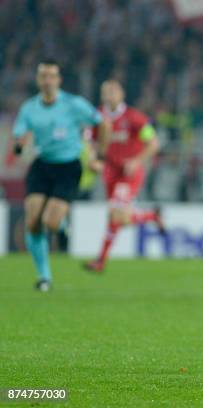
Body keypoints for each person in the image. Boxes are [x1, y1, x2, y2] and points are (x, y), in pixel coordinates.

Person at [12, 59, 110, 291]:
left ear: (58, 80)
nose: (47, 81)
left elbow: (102, 124)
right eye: (43, 76)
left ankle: (62, 223)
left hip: (68, 167)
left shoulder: (73, 104)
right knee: (33, 222)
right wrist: (20, 145)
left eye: (51, 76)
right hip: (42, 165)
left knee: (51, 222)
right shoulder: (29, 108)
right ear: (38, 80)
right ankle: (44, 276)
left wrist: (100, 156)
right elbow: (20, 136)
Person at [84, 80, 165, 272]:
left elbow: (153, 144)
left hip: (129, 174)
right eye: (106, 92)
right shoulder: (97, 118)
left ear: (122, 95)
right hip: (110, 173)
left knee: (116, 214)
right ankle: (150, 216)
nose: (109, 96)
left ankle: (100, 261)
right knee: (119, 218)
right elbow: (88, 140)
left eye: (113, 92)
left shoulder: (135, 118)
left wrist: (137, 161)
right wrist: (93, 159)